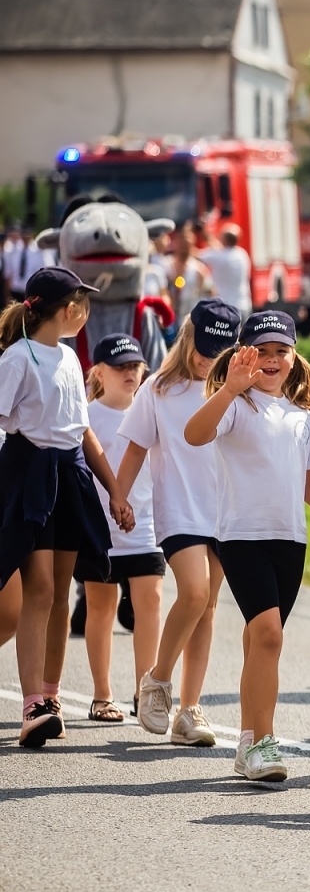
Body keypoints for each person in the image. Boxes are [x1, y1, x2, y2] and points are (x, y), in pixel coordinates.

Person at [184, 310, 310, 781]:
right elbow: (194, 435)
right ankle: (263, 742)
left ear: (294, 357)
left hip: (291, 542)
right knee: (268, 635)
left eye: (281, 351)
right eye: (261, 351)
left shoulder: (302, 417)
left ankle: (246, 743)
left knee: (260, 641)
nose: (272, 359)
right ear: (242, 356)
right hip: (241, 537)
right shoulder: (236, 407)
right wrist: (228, 389)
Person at [1, 267, 134, 748]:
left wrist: (115, 490)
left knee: (60, 590)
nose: (86, 309)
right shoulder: (18, 358)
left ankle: (51, 696)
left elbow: (83, 432)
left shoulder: (70, 358)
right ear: (64, 308)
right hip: (28, 473)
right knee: (36, 588)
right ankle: (31, 703)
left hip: (68, 474)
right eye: (81, 301)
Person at [117, 298, 239, 746]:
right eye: (204, 348)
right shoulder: (159, 389)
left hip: (224, 512)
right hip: (179, 509)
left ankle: (189, 711)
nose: (209, 359)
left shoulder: (236, 389)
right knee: (194, 590)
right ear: (188, 337)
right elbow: (134, 448)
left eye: (219, 352)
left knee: (206, 609)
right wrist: (119, 494)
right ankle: (157, 680)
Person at [77, 334, 164, 723]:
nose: (130, 373)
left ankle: (144, 692)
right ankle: (102, 695)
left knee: (151, 604)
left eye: (135, 366)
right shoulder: (88, 415)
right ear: (98, 372)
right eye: (120, 367)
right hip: (98, 530)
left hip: (146, 525)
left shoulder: (151, 409)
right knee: (101, 607)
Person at [164, 219, 216, 327]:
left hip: (191, 323)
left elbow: (211, 293)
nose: (184, 244)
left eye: (187, 240)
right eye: (181, 240)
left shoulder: (199, 269)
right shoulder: (166, 266)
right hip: (170, 323)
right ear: (175, 242)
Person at [198, 224, 253, 316]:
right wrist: (207, 237)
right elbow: (219, 248)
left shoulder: (218, 256)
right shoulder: (242, 254)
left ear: (225, 239)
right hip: (244, 306)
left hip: (226, 308)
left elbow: (196, 256)